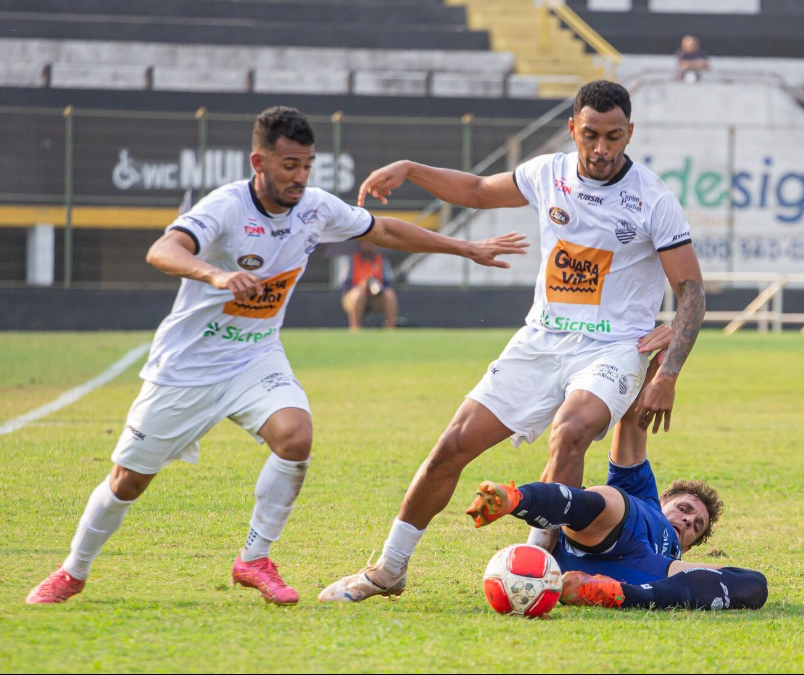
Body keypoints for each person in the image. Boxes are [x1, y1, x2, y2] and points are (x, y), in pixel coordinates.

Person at [26, 106, 528, 605]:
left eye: (307, 165)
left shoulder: (315, 208)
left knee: (295, 436)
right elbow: (163, 250)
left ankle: (254, 558)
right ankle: (73, 570)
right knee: (129, 481)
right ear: (258, 162)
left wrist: (465, 248)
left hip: (255, 357)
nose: (300, 176)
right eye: (289, 165)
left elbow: (386, 231)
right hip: (188, 366)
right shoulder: (226, 207)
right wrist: (215, 275)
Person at [318, 80, 706, 604]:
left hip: (613, 347)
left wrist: (667, 375)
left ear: (629, 132)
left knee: (571, 431)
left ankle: (534, 569)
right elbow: (477, 192)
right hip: (541, 340)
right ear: (573, 129)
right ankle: (388, 570)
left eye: (614, 136)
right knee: (452, 447)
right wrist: (410, 169)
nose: (601, 148)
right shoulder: (548, 173)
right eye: (590, 134)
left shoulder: (653, 199)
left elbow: (691, 292)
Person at [465, 352, 768, 612]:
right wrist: (657, 364)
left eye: (696, 526)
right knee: (609, 500)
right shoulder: (645, 497)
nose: (689, 520)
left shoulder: (671, 561)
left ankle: (615, 594)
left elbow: (747, 582)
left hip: (638, 570)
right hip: (597, 529)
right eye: (685, 508)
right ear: (663, 502)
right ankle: (514, 499)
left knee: (756, 586)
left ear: (688, 548)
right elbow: (634, 419)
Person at [340, 239, 398, 330]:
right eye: (365, 243)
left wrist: (377, 288)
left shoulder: (381, 259)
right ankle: (355, 328)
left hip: (375, 298)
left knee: (390, 294)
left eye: (371, 243)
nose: (368, 246)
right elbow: (345, 284)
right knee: (358, 293)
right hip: (354, 298)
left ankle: (390, 328)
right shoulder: (352, 259)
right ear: (360, 244)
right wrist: (361, 286)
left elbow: (388, 283)